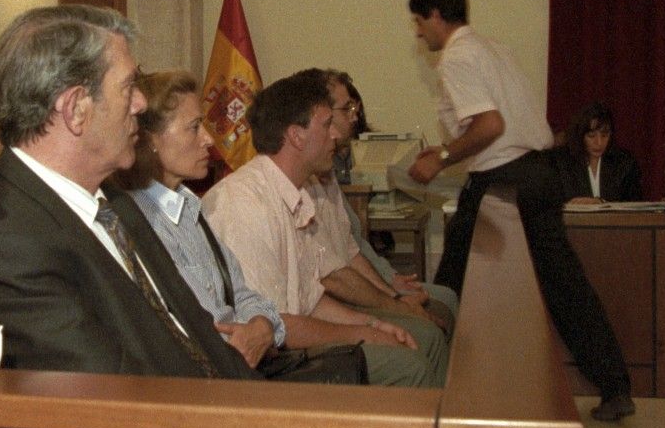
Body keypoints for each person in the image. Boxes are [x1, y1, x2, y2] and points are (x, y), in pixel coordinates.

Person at [0, 5, 258, 378]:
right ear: (76, 110)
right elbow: (113, 396)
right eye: (127, 86)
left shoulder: (113, 198)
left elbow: (198, 331)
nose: (140, 103)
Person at [405, 0, 634, 420]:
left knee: (453, 282)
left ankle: (435, 387)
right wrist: (450, 153)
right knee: (566, 285)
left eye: (418, 22)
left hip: (500, 183)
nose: (418, 33)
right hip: (541, 173)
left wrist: (442, 158)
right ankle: (615, 386)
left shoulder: (457, 57)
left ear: (435, 15)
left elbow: (490, 126)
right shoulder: (495, 49)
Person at [201, 69, 445, 387]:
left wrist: (373, 323)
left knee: (419, 340)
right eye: (326, 124)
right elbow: (271, 325)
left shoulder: (293, 192)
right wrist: (362, 332)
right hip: (268, 365)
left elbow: (310, 299)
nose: (335, 135)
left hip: (290, 341)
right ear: (296, 136)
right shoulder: (243, 204)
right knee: (409, 366)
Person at [119, 70, 367, 382]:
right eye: (194, 128)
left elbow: (243, 292)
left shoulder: (189, 209)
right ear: (152, 141)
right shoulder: (138, 221)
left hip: (244, 369)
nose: (209, 139)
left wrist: (262, 324)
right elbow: (187, 329)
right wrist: (252, 335)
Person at [322, 69, 458, 332]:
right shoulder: (314, 178)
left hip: (368, 281)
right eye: (346, 109)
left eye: (355, 107)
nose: (355, 116)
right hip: (346, 295)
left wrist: (390, 279)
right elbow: (334, 270)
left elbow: (355, 245)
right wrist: (392, 296)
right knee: (430, 326)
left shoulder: (328, 172)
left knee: (448, 297)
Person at [552, 102, 643, 205]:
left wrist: (600, 203)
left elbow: (635, 204)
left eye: (604, 135)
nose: (599, 143)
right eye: (591, 136)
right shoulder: (562, 162)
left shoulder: (625, 163)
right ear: (580, 135)